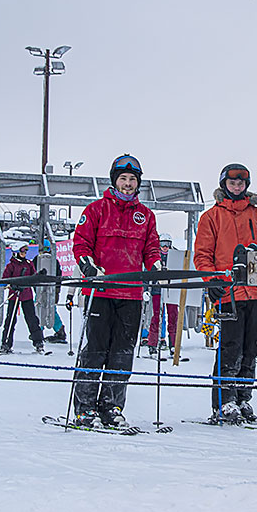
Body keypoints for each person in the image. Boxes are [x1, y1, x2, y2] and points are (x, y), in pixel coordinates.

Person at [71, 154, 162, 428]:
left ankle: (111, 406)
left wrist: (155, 264)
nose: (127, 184)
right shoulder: (96, 209)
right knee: (95, 350)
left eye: (132, 180)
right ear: (115, 181)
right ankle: (85, 408)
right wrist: (86, 264)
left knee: (122, 353)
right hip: (100, 292)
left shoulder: (145, 215)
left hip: (131, 295)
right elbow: (82, 242)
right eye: (123, 179)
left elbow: (151, 247)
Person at [194, 163, 257, 425]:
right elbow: (203, 254)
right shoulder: (212, 217)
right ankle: (224, 400)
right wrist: (212, 280)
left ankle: (243, 396)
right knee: (230, 346)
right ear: (224, 184)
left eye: (241, 183)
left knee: (251, 347)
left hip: (256, 290)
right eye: (232, 183)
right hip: (229, 291)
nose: (237, 187)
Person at [0, 244, 47, 354]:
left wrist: (39, 275)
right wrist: (12, 285)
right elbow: (5, 280)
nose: (24, 254)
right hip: (14, 295)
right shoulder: (11, 265)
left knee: (32, 319)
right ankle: (6, 343)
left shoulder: (29, 264)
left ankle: (38, 342)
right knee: (10, 319)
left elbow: (33, 277)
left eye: (25, 252)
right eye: (22, 252)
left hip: (26, 295)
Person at [145, 234, 180, 356]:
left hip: (171, 291)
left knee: (173, 317)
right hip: (157, 290)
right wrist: (146, 289)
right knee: (156, 317)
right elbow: (147, 272)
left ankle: (173, 345)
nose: (165, 247)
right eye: (162, 244)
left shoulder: (175, 256)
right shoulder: (154, 257)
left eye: (167, 244)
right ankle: (152, 344)